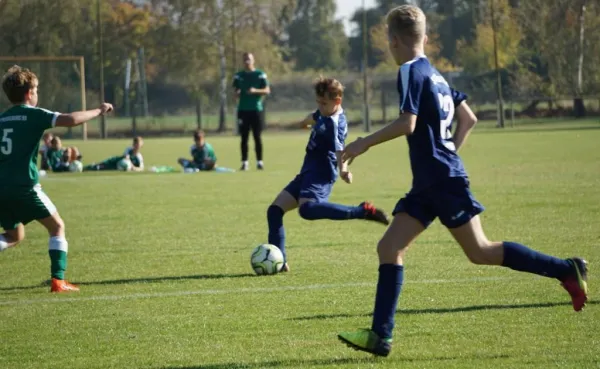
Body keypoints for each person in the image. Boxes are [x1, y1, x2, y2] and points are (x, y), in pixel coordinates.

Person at [336, 5, 588, 357]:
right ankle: (381, 336)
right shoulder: (436, 75)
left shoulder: (409, 71)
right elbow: (468, 118)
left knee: (480, 251)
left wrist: (362, 143)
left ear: (392, 40)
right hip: (434, 180)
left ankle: (566, 269)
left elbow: (408, 123)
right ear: (424, 38)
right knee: (390, 248)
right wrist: (448, 152)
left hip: (439, 180)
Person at [0, 65, 113, 292]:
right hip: (25, 187)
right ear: (30, 93)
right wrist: (99, 111)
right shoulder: (33, 114)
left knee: (14, 235)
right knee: (57, 227)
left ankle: (58, 280)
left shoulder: (2, 119)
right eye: (37, 89)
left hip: (1, 188)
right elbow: (70, 119)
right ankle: (58, 280)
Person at [266, 76, 390, 273]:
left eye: (324, 103)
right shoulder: (324, 112)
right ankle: (279, 262)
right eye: (318, 102)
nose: (320, 106)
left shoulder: (335, 123)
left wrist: (344, 170)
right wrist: (305, 122)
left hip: (321, 173)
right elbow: (314, 116)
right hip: (308, 171)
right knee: (274, 211)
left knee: (307, 210)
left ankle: (362, 211)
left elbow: (339, 149)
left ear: (337, 101)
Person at [233, 52, 270, 171]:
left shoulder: (260, 75)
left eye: (249, 59)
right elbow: (235, 90)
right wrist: (237, 94)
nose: (247, 61)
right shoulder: (239, 76)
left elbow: (267, 90)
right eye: (245, 59)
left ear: (253, 60)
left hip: (256, 109)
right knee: (244, 138)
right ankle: (245, 162)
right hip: (243, 110)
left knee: (257, 137)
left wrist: (255, 91)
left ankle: (260, 161)